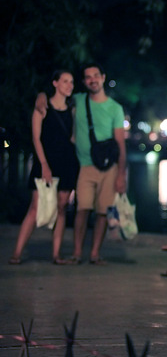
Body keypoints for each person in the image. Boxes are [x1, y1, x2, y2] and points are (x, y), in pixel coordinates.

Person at [37, 64, 127, 264]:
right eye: (88, 77)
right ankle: (77, 253)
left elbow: (120, 143)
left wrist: (121, 174)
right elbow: (52, 97)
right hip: (84, 166)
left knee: (103, 212)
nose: (92, 79)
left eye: (96, 75)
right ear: (85, 82)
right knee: (82, 209)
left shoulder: (115, 108)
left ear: (103, 78)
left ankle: (94, 253)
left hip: (109, 167)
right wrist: (41, 96)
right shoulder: (77, 100)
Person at [11, 70, 80, 265]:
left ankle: (56, 255)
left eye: (72, 82)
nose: (69, 85)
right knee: (35, 208)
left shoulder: (72, 110)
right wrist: (44, 165)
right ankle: (16, 253)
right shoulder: (42, 107)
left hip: (67, 162)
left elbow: (73, 138)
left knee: (61, 208)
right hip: (46, 161)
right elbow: (36, 138)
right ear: (55, 83)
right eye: (65, 81)